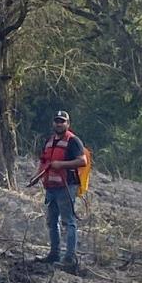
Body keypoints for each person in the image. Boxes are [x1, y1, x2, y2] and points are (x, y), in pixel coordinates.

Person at [36, 110, 87, 266]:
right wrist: (37, 175)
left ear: (68, 124)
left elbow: (82, 161)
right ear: (53, 123)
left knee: (68, 221)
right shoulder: (49, 141)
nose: (59, 124)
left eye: (62, 121)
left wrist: (61, 165)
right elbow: (44, 161)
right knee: (52, 221)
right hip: (51, 186)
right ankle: (54, 254)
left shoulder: (73, 141)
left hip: (67, 186)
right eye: (57, 121)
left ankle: (69, 258)